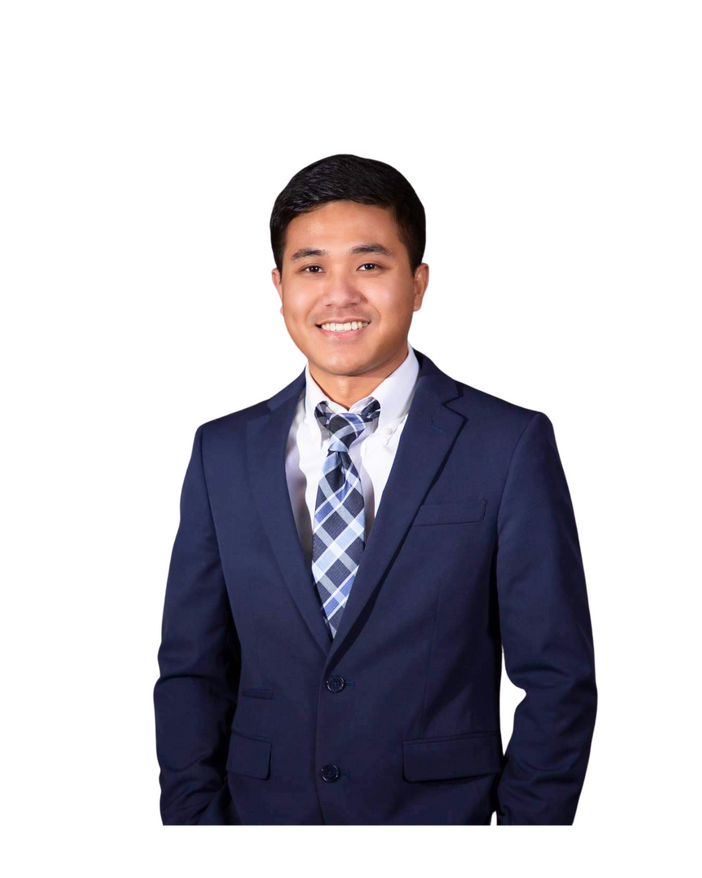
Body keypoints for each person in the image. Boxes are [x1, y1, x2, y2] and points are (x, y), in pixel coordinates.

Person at [153, 153, 598, 826]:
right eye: (311, 268)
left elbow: (559, 679)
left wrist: (521, 846)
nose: (339, 295)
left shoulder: (508, 443)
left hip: (440, 830)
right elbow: (192, 670)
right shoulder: (221, 450)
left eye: (369, 265)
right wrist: (199, 834)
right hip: (260, 831)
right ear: (278, 287)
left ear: (418, 283)